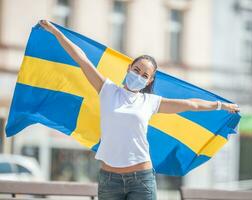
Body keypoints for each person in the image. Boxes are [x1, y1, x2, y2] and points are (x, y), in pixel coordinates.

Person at [39, 19, 240, 200]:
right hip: (109, 179)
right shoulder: (107, 90)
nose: (139, 75)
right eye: (136, 70)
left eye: (145, 75)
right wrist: (55, 31)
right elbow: (81, 59)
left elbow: (191, 104)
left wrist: (221, 105)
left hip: (141, 179)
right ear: (128, 69)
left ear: (149, 80)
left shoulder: (151, 102)